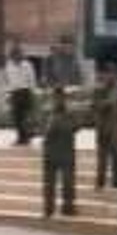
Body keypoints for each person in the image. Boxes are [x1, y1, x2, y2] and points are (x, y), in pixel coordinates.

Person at [42, 87, 78, 218]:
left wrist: (59, 124)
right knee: (49, 184)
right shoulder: (47, 112)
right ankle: (48, 209)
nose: (58, 100)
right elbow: (41, 129)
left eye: (61, 97)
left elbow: (76, 126)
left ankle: (68, 207)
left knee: (68, 182)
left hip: (66, 151)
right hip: (50, 152)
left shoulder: (70, 113)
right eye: (56, 97)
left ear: (64, 98)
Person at [93, 65, 117, 189]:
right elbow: (96, 106)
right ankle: (100, 182)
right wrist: (109, 101)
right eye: (108, 74)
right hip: (102, 128)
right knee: (102, 159)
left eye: (113, 74)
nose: (111, 76)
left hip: (116, 128)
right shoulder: (99, 90)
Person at [5, 45, 36, 145]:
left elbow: (32, 79)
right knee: (16, 117)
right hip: (14, 92)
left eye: (17, 55)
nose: (15, 57)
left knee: (25, 117)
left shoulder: (27, 65)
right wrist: (8, 93)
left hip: (25, 91)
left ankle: (26, 137)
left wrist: (32, 92)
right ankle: (21, 137)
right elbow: (8, 80)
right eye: (13, 55)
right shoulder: (8, 65)